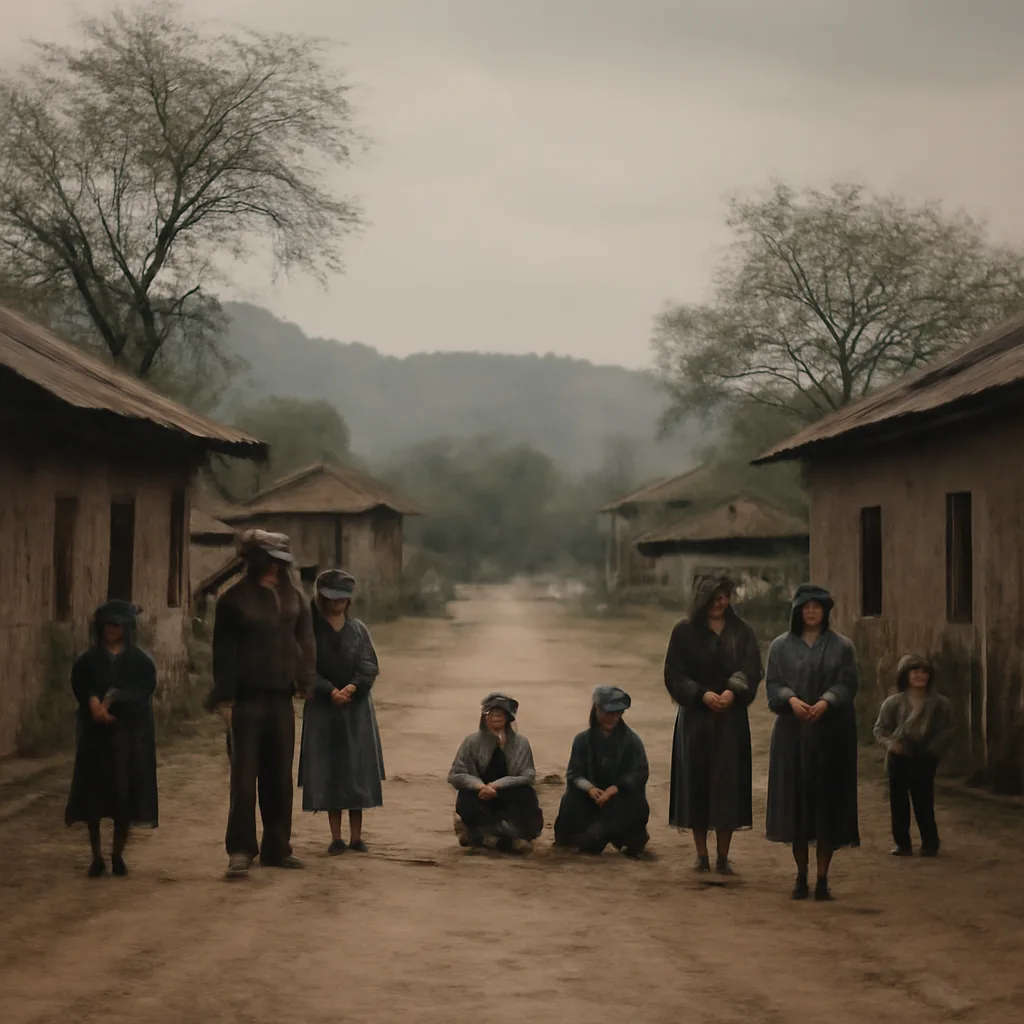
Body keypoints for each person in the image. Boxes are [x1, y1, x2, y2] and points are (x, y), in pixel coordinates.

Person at [210, 530, 316, 879]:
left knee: (279, 777)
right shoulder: (233, 600)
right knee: (244, 776)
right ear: (255, 561)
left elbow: (305, 640)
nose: (275, 567)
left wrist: (305, 680)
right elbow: (222, 654)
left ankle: (277, 847)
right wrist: (225, 697)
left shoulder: (294, 597)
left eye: (279, 561)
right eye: (269, 560)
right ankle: (240, 849)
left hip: (281, 697)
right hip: (246, 697)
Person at [765, 584, 860, 901]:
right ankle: (801, 876)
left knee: (826, 807)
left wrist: (826, 702)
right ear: (796, 611)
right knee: (796, 808)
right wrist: (790, 700)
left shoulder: (842, 646)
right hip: (793, 735)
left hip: (831, 735)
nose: (811, 611)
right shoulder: (780, 646)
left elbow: (847, 682)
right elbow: (774, 683)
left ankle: (822, 879)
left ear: (825, 611)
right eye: (805, 607)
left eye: (817, 606)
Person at [663, 574, 762, 875]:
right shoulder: (684, 631)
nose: (721, 603)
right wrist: (701, 694)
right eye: (715, 597)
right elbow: (674, 673)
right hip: (695, 718)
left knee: (727, 784)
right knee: (697, 782)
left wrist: (732, 691)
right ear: (702, 599)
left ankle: (723, 855)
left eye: (725, 597)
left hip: (730, 718)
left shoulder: (741, 631)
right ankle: (701, 854)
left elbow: (751, 668)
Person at [65, 600, 158, 878]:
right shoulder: (88, 660)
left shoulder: (140, 662)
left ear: (127, 627)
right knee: (92, 796)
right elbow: (82, 684)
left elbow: (143, 690)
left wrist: (115, 698)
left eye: (118, 625)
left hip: (129, 736)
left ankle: (118, 854)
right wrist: (93, 703)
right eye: (107, 625)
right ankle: (96, 856)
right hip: (96, 738)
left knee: (124, 796)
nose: (112, 630)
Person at [298, 569, 386, 855]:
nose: (337, 605)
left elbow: (369, 665)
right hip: (324, 712)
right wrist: (328, 690)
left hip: (356, 711)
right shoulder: (310, 630)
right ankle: (335, 837)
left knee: (356, 769)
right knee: (329, 770)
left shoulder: (359, 629)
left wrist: (352, 687)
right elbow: (305, 668)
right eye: (331, 600)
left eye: (342, 600)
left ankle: (356, 837)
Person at [553, 685, 650, 857]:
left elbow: (640, 773)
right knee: (572, 800)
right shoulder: (582, 740)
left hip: (620, 801)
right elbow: (574, 774)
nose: (612, 718)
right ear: (596, 710)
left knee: (601, 837)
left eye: (616, 713)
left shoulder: (632, 741)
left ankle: (626, 837)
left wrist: (615, 788)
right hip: (592, 799)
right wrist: (589, 788)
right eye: (608, 713)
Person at [874, 655, 954, 858]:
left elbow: (949, 729)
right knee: (898, 801)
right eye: (915, 671)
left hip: (925, 756)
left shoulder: (940, 704)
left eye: (924, 671)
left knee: (924, 800)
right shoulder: (893, 703)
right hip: (898, 757)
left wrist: (932, 751)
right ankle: (903, 844)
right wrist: (891, 744)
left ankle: (930, 843)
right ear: (905, 675)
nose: (920, 675)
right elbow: (880, 729)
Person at [448, 693, 543, 852]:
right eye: (492, 713)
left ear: (508, 718)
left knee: (527, 797)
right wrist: (480, 786)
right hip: (481, 795)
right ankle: (480, 833)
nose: (496, 717)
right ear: (484, 718)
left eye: (501, 714)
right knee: (465, 801)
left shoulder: (521, 743)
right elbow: (456, 774)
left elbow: (528, 774)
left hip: (509, 794)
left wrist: (497, 785)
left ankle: (494, 836)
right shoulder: (471, 742)